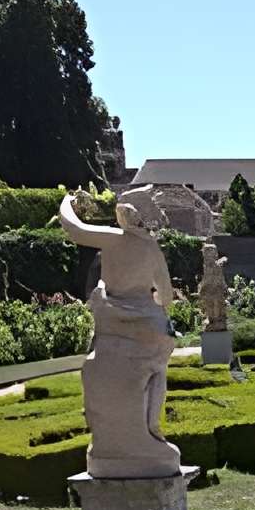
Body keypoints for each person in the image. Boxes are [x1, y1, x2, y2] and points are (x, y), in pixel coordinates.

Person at [55, 192, 181, 477]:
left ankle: (135, 435)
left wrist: (67, 202)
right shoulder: (152, 249)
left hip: (113, 317)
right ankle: (152, 428)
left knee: (106, 365)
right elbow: (166, 296)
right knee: (157, 371)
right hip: (147, 321)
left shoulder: (112, 239)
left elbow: (74, 228)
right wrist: (153, 301)